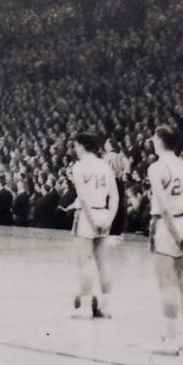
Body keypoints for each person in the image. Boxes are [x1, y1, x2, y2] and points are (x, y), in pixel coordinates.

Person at [147, 125, 183, 356]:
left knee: (166, 284)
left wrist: (176, 237)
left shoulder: (157, 168)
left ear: (159, 141)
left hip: (167, 227)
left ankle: (171, 340)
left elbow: (164, 208)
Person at [67, 133, 117, 320]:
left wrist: (91, 220)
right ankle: (107, 306)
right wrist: (108, 219)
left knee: (85, 261)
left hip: (88, 216)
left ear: (80, 146)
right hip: (104, 212)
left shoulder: (79, 167)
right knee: (103, 263)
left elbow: (83, 198)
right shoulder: (105, 166)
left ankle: (86, 307)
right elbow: (115, 197)